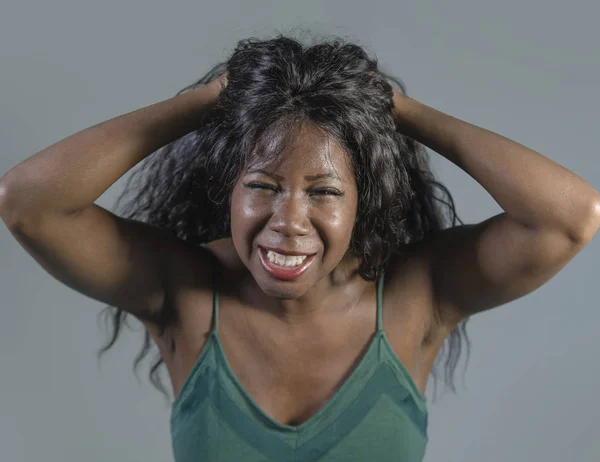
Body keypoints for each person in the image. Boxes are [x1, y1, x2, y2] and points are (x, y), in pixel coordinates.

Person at [1, 34, 599, 462]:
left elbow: (571, 218)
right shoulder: (181, 292)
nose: (289, 220)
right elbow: (27, 202)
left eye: (324, 191)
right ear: (227, 191)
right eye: (262, 186)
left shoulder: (416, 298)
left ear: (365, 199)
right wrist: (211, 101)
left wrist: (394, 112)